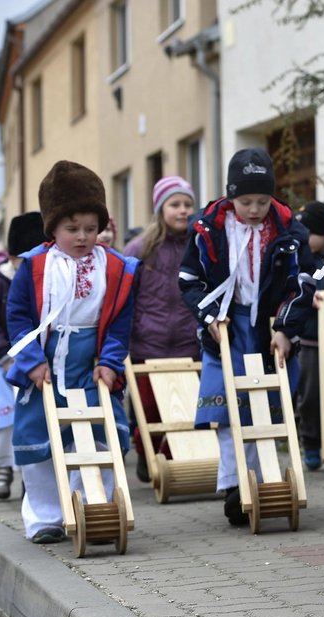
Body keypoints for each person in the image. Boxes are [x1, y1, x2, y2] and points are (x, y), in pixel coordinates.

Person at [179, 147, 316, 526]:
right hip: (226, 325)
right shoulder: (209, 229)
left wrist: (287, 329)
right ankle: (234, 484)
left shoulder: (289, 231)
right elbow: (190, 281)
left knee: (265, 406)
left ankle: (263, 479)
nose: (254, 209)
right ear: (230, 196)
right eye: (245, 201)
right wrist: (209, 316)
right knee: (227, 408)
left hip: (270, 327)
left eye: (262, 200)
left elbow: (303, 283)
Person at [5, 161, 137, 544]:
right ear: (53, 227)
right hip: (45, 367)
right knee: (41, 445)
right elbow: (17, 318)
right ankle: (45, 517)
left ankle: (96, 508)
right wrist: (30, 361)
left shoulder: (115, 268)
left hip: (90, 366)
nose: (82, 237)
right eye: (72, 229)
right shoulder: (34, 267)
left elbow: (119, 323)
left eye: (91, 229)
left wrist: (111, 362)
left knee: (98, 438)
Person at [124, 176, 201, 482]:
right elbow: (125, 297)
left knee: (184, 408)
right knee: (149, 407)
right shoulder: (140, 248)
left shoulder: (198, 244)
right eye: (175, 204)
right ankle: (147, 453)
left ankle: (171, 464)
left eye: (187, 204)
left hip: (187, 340)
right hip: (148, 343)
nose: (182, 210)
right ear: (160, 209)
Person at [0, 212, 45, 500]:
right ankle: (3, 467)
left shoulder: (43, 280)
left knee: (34, 420)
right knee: (3, 417)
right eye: (21, 258)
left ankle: (32, 473)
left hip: (37, 363)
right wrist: (5, 355)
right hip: (3, 363)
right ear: (12, 256)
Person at [292, 200, 324, 471]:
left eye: (307, 232)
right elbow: (295, 290)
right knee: (310, 394)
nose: (302, 238)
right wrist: (308, 299)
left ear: (323, 231)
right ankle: (311, 444)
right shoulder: (304, 260)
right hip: (312, 340)